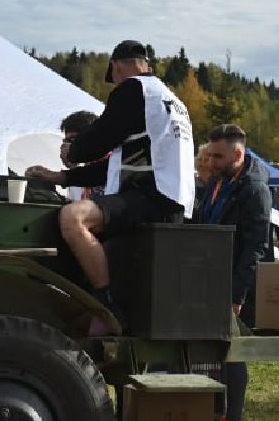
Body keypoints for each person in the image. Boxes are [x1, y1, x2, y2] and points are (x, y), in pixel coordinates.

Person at [25, 40, 193, 319]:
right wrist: (63, 177)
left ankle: (104, 306)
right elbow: (114, 165)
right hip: (172, 199)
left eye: (113, 78)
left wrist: (73, 151)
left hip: (153, 197)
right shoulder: (171, 100)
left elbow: (100, 137)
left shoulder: (134, 88)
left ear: (116, 67)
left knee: (72, 218)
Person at [197, 123, 272, 421]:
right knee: (216, 351)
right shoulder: (220, 181)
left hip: (234, 284)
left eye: (217, 156)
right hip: (212, 280)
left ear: (237, 154)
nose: (211, 162)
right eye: (210, 155)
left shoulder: (254, 189)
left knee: (233, 352)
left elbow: (256, 246)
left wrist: (238, 294)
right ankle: (218, 415)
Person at [58, 110, 101, 201]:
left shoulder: (111, 168)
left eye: (73, 140)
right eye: (66, 141)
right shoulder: (75, 177)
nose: (66, 146)